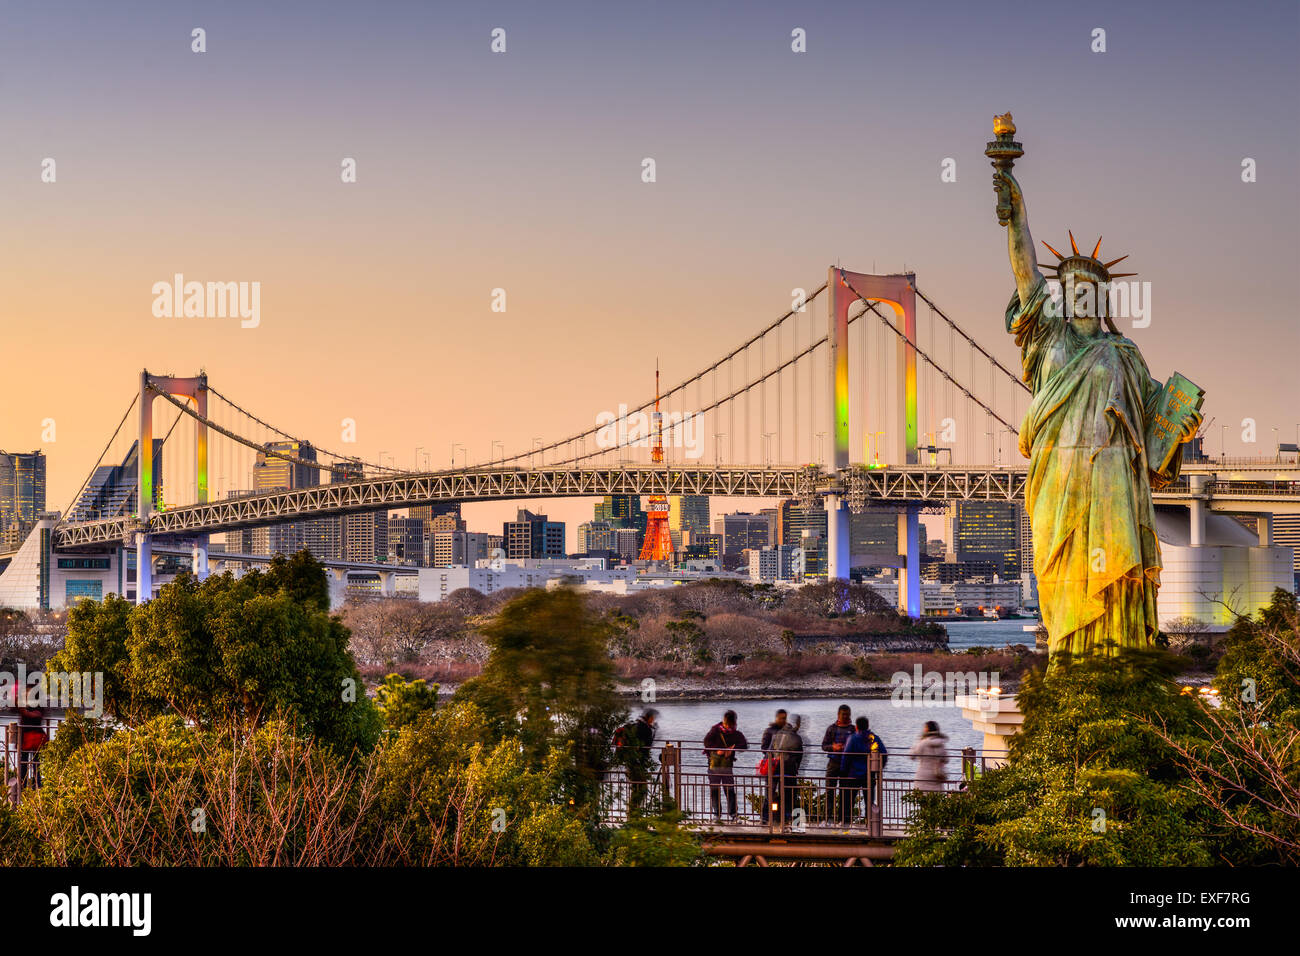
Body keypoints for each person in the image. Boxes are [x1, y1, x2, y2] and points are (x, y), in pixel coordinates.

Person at [838, 717, 888, 825]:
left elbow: (846, 757)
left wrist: (843, 773)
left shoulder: (852, 738)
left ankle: (846, 823)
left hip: (853, 776)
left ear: (856, 726)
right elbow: (884, 754)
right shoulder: (874, 738)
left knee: (848, 801)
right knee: (869, 802)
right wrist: (879, 769)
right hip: (869, 775)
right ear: (867, 725)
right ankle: (869, 823)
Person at [703, 710, 748, 822]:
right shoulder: (715, 730)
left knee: (730, 790)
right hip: (714, 765)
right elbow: (707, 742)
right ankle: (717, 815)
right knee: (715, 790)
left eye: (729, 724)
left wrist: (733, 747)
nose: (728, 725)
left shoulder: (736, 734)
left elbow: (744, 745)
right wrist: (719, 750)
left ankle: (733, 814)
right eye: (727, 723)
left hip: (726, 766)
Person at [766, 713, 804, 824]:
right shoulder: (796, 737)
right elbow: (799, 755)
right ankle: (788, 817)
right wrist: (797, 768)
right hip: (789, 769)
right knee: (790, 794)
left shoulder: (777, 735)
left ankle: (774, 816)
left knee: (773, 794)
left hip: (774, 768)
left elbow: (770, 751)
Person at [820, 705, 855, 824]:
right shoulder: (831, 729)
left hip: (848, 765)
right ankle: (828, 818)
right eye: (843, 714)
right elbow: (824, 746)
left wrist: (848, 748)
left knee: (845, 792)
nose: (845, 716)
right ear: (838, 715)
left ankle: (843, 819)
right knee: (830, 791)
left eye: (847, 714)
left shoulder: (854, 729)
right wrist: (833, 747)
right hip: (833, 763)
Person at [622, 708, 658, 814]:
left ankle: (633, 813)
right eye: (652, 718)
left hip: (631, 763)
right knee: (641, 788)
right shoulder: (644, 728)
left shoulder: (636, 726)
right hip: (637, 764)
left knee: (637, 787)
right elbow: (646, 746)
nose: (653, 720)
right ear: (649, 717)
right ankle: (633, 814)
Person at [909, 721, 949, 792]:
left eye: (925, 727)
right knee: (936, 799)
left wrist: (917, 743)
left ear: (927, 729)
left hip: (923, 777)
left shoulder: (923, 742)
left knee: (923, 799)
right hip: (937, 776)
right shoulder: (941, 744)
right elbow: (946, 759)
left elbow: (912, 755)